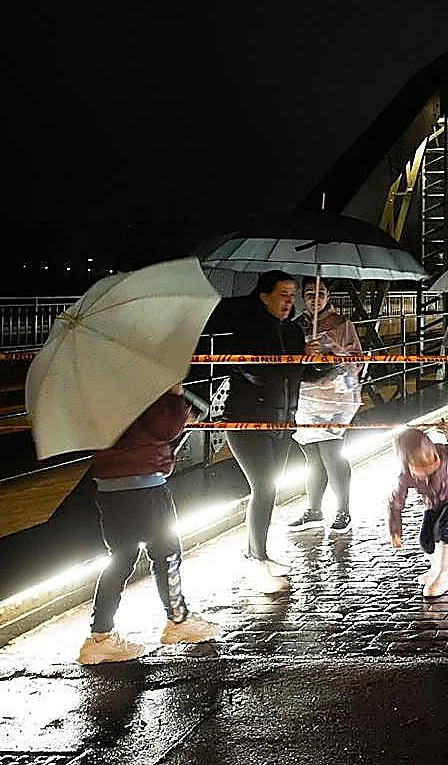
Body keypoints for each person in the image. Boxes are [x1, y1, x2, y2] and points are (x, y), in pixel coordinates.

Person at [78, 385, 221, 664]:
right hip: (144, 483)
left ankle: (100, 636)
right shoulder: (141, 381)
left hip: (108, 486)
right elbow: (166, 428)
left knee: (121, 557)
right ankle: (178, 621)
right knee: (166, 551)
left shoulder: (97, 387)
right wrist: (176, 396)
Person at [202, 269, 318, 594]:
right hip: (247, 423)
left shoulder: (294, 331)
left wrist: (323, 363)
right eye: (283, 295)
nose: (288, 302)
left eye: (292, 296)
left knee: (270, 489)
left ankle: (260, 554)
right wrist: (298, 361)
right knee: (264, 488)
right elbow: (258, 373)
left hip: (283, 423)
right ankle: (255, 559)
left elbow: (301, 376)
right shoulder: (246, 330)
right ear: (263, 296)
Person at [288, 278, 363, 535]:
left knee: (332, 454)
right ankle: (314, 510)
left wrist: (331, 354)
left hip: (334, 401)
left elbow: (356, 359)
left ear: (328, 295)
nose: (314, 298)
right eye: (309, 294)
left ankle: (344, 510)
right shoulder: (296, 326)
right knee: (312, 457)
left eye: (320, 293)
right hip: (306, 400)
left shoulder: (342, 325)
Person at [387, 425, 448, 598]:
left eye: (431, 458)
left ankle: (445, 575)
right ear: (408, 465)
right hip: (433, 504)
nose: (428, 466)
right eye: (420, 465)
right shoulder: (405, 477)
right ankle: (436, 568)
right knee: (425, 539)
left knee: (443, 528)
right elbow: (395, 504)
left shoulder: (445, 452)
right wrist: (395, 530)